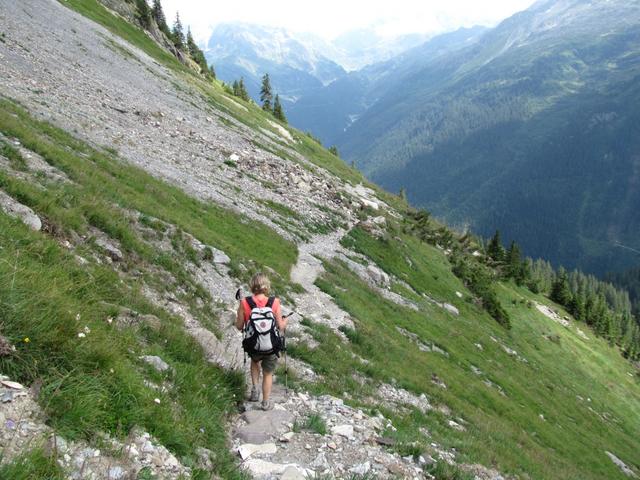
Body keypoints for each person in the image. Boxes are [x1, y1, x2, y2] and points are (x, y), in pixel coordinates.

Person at [235, 272, 287, 410]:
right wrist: (285, 321)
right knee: (268, 373)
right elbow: (280, 326)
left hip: (254, 344)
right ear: (266, 286)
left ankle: (254, 390)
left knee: (255, 362)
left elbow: (239, 326)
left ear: (252, 286)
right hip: (271, 345)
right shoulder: (274, 302)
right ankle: (265, 402)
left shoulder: (245, 302)